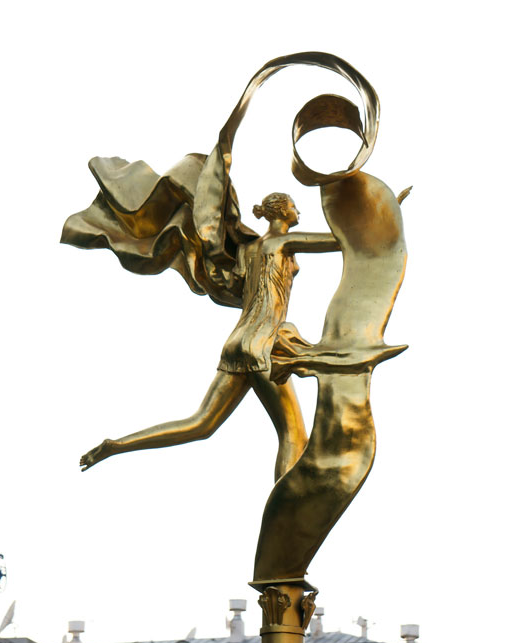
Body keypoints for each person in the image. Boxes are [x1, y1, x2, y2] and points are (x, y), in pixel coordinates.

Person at [79, 193, 339, 480]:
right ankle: (285, 507)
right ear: (280, 212)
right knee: (293, 435)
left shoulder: (247, 251)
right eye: (293, 206)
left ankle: (117, 445)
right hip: (264, 342)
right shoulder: (284, 242)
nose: (298, 210)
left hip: (237, 342)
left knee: (201, 424)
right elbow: (342, 240)